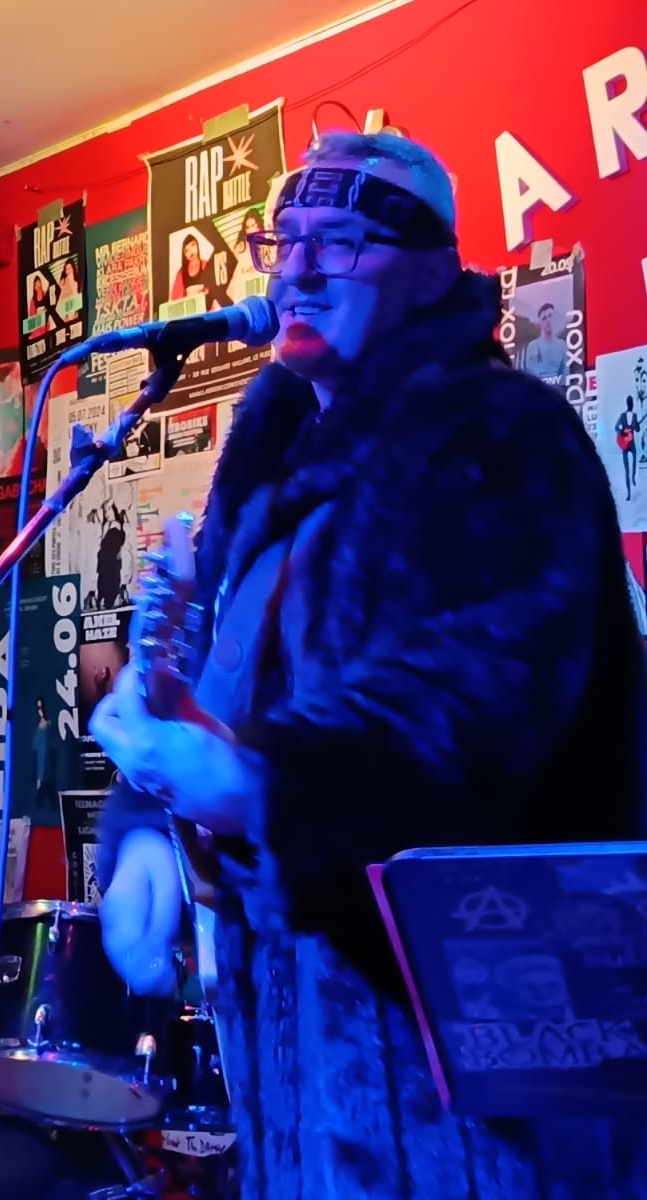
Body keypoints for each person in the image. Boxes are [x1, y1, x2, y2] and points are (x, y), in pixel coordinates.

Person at [89, 133, 647, 1199]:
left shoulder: (501, 435)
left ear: (433, 269)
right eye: (283, 240)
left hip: (471, 1048)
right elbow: (210, 691)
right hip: (295, 1033)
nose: (296, 270)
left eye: (339, 242)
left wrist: (261, 783)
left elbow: (470, 696)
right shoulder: (269, 472)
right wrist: (147, 818)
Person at [520, 300, 566, 378]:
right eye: (544, 318)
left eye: (550, 316)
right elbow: (532, 370)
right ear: (540, 323)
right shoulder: (534, 345)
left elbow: (565, 371)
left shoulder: (562, 345)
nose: (548, 320)